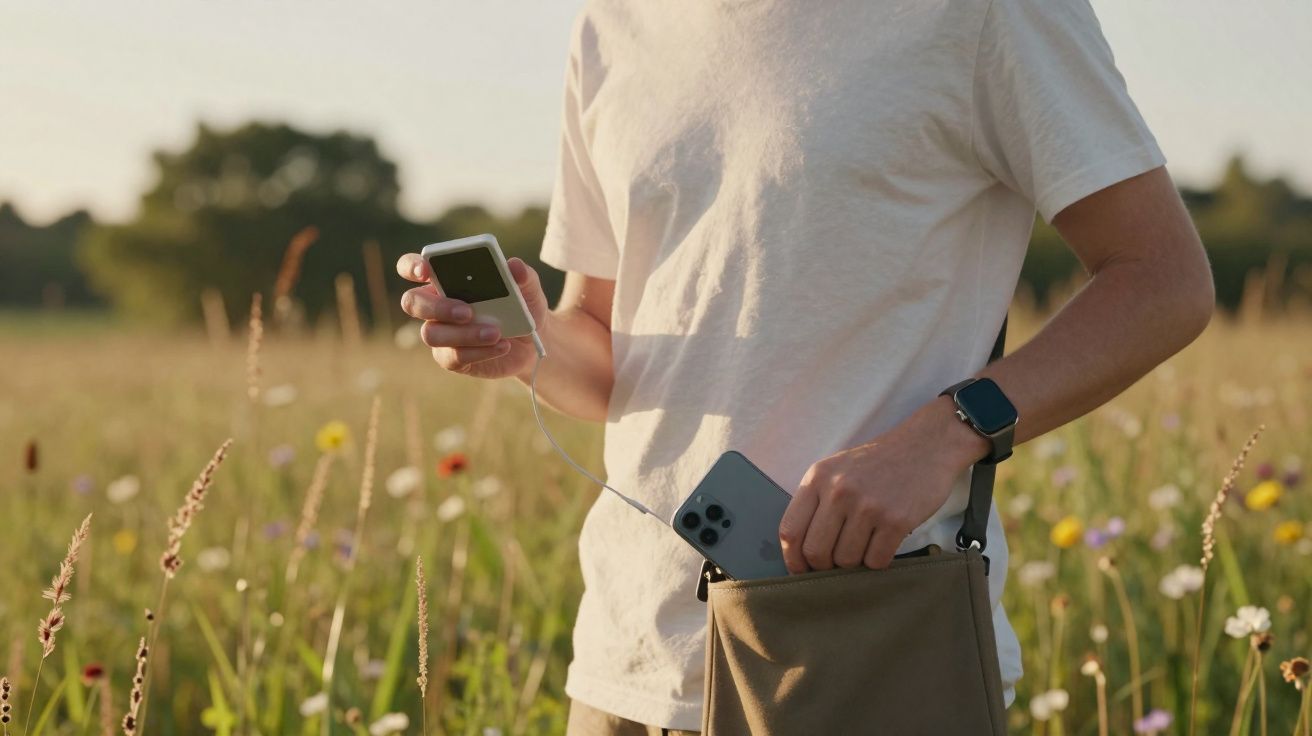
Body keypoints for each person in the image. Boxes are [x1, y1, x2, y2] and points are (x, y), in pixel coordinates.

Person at [397, 0, 1213, 732]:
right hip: (627, 664)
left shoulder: (989, 14)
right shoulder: (611, 24)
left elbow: (1164, 279)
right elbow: (607, 353)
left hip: (865, 637)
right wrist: (527, 344)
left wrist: (948, 432)